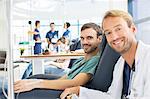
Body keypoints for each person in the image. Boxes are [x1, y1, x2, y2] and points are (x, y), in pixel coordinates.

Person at [60, 10, 150, 99]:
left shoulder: (147, 58)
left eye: (118, 29)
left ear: (133, 29)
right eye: (108, 33)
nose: (114, 37)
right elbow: (112, 96)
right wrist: (79, 91)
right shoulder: (121, 64)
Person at [12, 22, 102, 94]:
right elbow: (65, 78)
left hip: (64, 92)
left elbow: (74, 83)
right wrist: (34, 82)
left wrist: (37, 83)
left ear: (99, 39)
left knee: (7, 90)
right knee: (25, 82)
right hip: (60, 87)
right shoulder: (82, 60)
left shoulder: (95, 60)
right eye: (82, 38)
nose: (84, 42)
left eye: (89, 38)